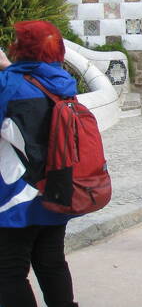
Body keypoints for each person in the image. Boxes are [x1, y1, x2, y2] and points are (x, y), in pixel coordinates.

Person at [0, 20, 80, 307]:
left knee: (9, 270)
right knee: (51, 261)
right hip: (57, 186)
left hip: (15, 194)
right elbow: (31, 83)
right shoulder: (62, 83)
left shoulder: (7, 85)